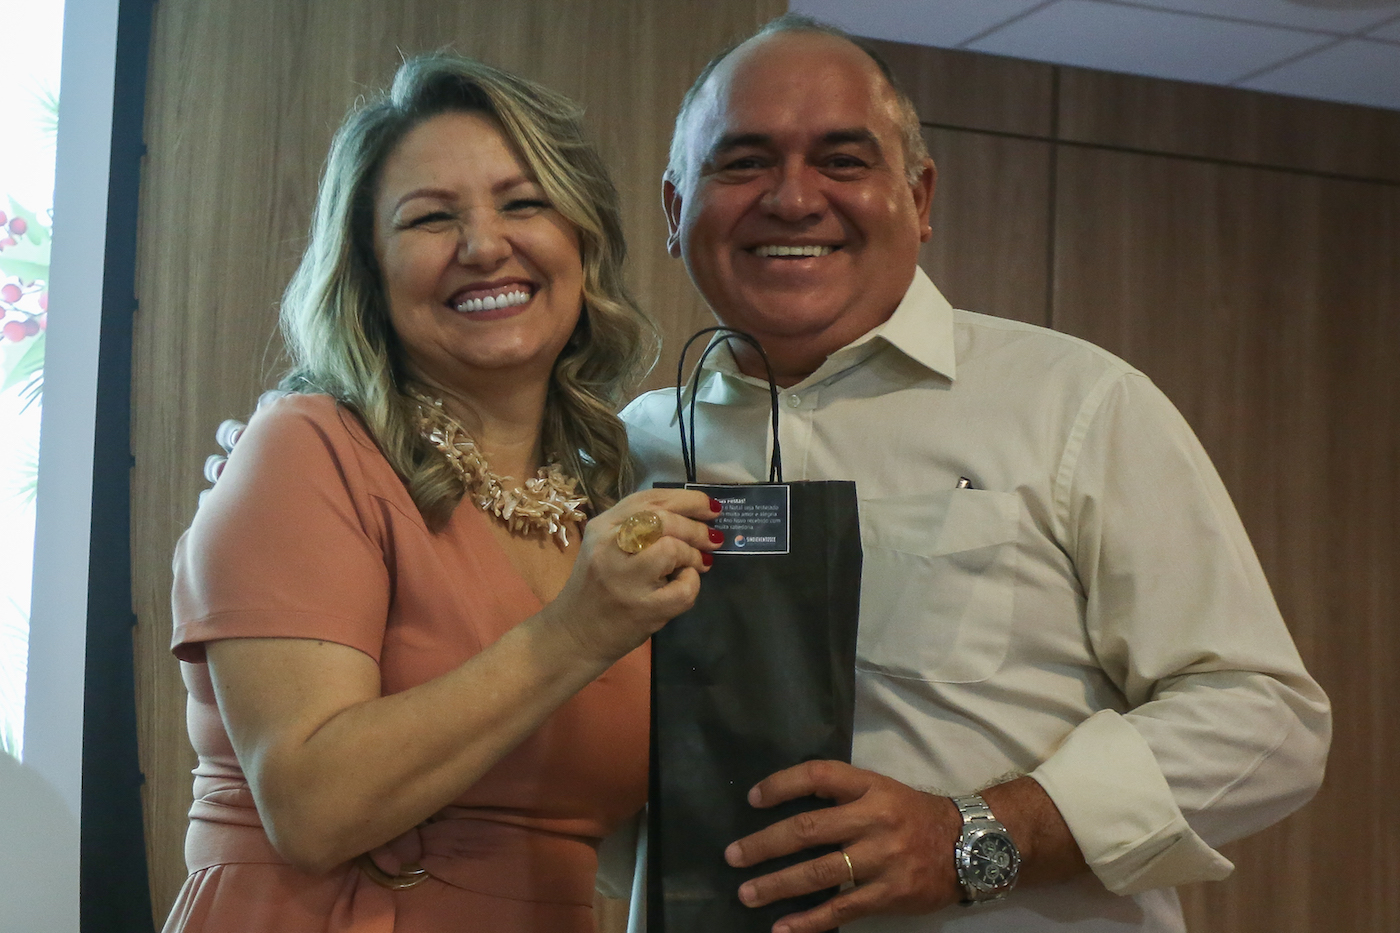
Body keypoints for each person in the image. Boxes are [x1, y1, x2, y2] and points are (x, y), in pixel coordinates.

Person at [621, 14, 1331, 933]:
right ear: (676, 208)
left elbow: (1266, 719)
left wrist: (976, 832)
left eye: (843, 160)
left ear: (919, 196)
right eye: (744, 161)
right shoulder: (628, 452)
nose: (792, 199)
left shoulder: (1077, 404)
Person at [165, 54, 722, 933]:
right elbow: (312, 808)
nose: (485, 245)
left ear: (583, 240)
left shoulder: (608, 493)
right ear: (369, 269)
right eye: (431, 218)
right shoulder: (306, 448)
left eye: (523, 203)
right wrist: (574, 632)